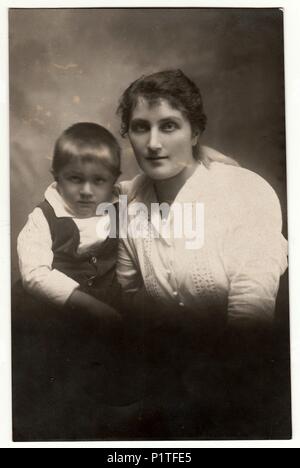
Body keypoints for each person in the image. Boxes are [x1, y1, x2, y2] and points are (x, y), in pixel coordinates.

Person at [116, 69, 288, 438]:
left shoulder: (243, 192)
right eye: (140, 127)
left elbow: (252, 313)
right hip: (171, 381)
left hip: (247, 380)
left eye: (169, 126)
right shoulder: (129, 207)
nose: (153, 143)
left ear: (194, 132)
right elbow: (129, 297)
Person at [12, 122, 125, 440]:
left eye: (99, 181)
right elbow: (35, 274)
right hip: (52, 306)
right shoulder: (44, 216)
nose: (87, 190)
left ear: (113, 182)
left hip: (104, 296)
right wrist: (88, 305)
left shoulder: (118, 205)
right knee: (50, 372)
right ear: (56, 177)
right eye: (75, 179)